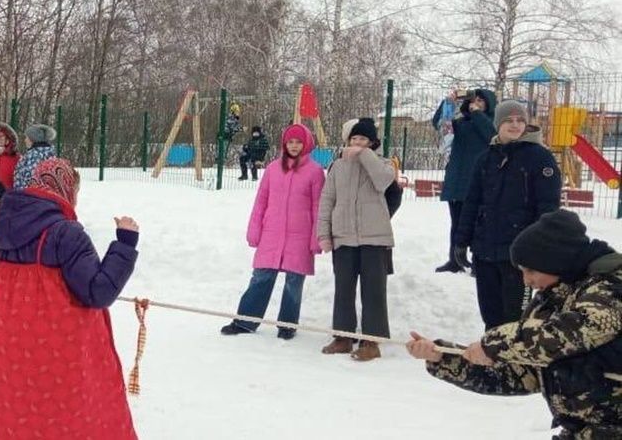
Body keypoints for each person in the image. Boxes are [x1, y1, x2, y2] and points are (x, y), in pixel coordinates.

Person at [407, 210, 622, 439]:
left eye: (531, 270)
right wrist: (443, 357)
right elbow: (522, 374)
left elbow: (569, 333)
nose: (526, 281)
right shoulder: (551, 300)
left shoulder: (609, 288)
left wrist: (493, 343)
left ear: (556, 261)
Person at [0, 158, 139, 439]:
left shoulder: (3, 222)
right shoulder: (65, 232)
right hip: (47, 338)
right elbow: (98, 292)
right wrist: (125, 243)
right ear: (66, 189)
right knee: (66, 413)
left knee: (13, 408)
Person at [454, 100, 561, 330]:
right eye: (509, 121)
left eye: (520, 120)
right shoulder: (486, 158)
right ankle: (492, 362)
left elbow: (548, 208)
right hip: (485, 251)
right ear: (497, 124)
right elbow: (471, 203)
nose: (515, 125)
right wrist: (461, 241)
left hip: (519, 256)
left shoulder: (540, 158)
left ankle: (513, 363)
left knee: (516, 318)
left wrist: (536, 248)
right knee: (491, 315)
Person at [220, 124, 325, 339]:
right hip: (271, 234)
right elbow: (261, 202)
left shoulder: (315, 172)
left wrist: (317, 237)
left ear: (307, 144)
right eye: (290, 142)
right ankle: (245, 321)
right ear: (284, 144)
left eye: (298, 142)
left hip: (300, 236)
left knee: (294, 283)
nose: (294, 146)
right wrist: (255, 229)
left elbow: (319, 207)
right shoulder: (272, 169)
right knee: (260, 278)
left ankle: (287, 325)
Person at [318, 118, 396, 361]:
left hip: (375, 239)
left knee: (373, 291)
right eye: (354, 139)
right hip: (344, 238)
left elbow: (384, 181)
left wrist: (365, 155)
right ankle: (342, 337)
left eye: (363, 140)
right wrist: (324, 233)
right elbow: (327, 200)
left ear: (372, 143)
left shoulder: (383, 164)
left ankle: (372, 341)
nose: (357, 143)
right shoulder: (337, 167)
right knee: (343, 289)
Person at [433, 89, 497, 273]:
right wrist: (447, 104)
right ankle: (454, 260)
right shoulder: (461, 123)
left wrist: (477, 113)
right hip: (458, 180)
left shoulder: (491, 123)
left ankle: (479, 262)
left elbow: (490, 135)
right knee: (457, 222)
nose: (475, 103)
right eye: (473, 100)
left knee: (478, 224)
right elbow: (440, 125)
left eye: (480, 101)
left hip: (479, 182)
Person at [12, 123, 57, 189]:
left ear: (33, 139)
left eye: (27, 138)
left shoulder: (33, 156)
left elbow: (28, 180)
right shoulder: (51, 155)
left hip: (28, 196)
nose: (25, 140)